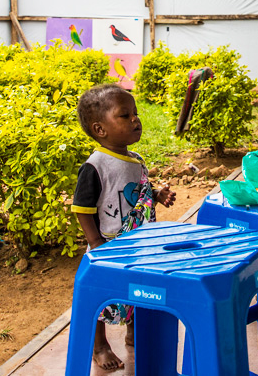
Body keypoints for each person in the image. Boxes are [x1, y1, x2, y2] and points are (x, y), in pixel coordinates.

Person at [72, 84, 176, 372]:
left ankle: (133, 331)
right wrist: (96, 243)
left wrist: (157, 194)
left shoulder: (135, 159)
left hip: (138, 242)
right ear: (100, 129)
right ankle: (99, 346)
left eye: (135, 113)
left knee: (137, 288)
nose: (135, 119)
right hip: (109, 244)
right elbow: (82, 208)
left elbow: (138, 190)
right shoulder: (96, 165)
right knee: (102, 296)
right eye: (125, 115)